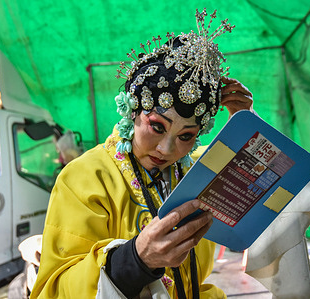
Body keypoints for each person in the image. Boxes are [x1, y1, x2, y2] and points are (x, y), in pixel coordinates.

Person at [30, 8, 253, 299]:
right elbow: (54, 290)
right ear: (132, 110)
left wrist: (246, 128)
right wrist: (136, 260)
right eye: (157, 126)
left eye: (187, 136)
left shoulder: (202, 173)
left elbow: (282, 202)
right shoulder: (84, 178)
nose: (166, 149)